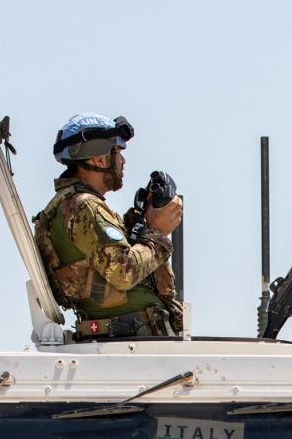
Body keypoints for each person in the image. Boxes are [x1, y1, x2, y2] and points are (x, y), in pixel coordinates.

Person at [32, 113, 184, 340]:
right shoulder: (85, 207)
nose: (123, 161)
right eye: (118, 152)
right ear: (100, 160)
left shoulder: (73, 206)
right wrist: (158, 232)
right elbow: (123, 272)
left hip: (129, 336)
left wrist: (140, 223)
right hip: (130, 338)